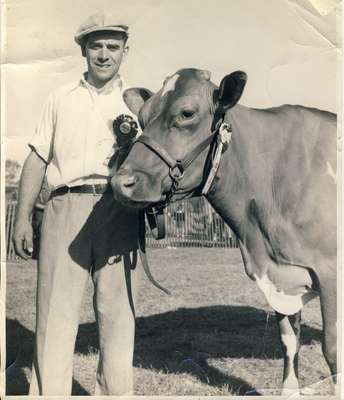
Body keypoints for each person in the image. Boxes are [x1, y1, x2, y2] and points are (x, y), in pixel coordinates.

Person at [13, 13, 142, 396]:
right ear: (83, 50)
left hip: (118, 212)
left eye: (113, 47)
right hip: (63, 208)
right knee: (55, 314)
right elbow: (37, 158)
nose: (104, 54)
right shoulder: (59, 98)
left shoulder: (137, 103)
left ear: (125, 52)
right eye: (96, 46)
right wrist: (22, 219)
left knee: (118, 316)